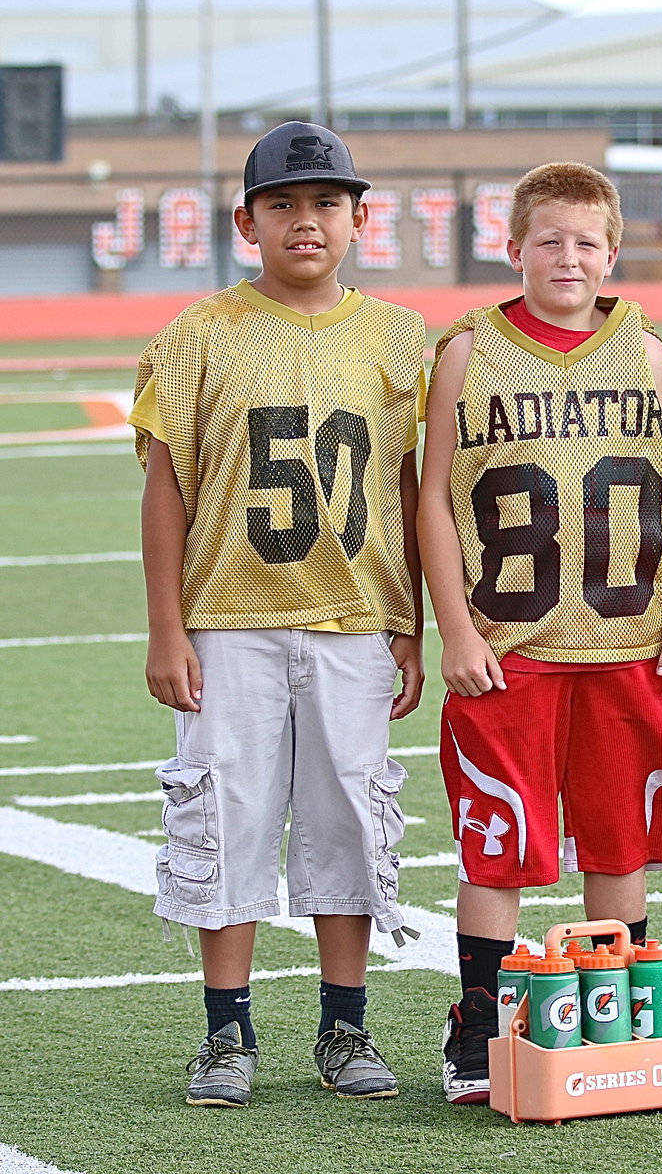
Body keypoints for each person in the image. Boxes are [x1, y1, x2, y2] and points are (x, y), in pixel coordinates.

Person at [130, 120, 425, 1108]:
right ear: (247, 218)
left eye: (326, 204)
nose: (307, 222)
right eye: (284, 205)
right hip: (228, 620)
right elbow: (166, 486)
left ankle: (345, 1024)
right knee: (225, 815)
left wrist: (414, 621)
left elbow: (409, 489)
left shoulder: (396, 336)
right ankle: (226, 1032)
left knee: (349, 817)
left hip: (353, 620)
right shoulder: (199, 335)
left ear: (358, 217)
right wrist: (166, 626)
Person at [418, 161, 662, 1105]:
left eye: (586, 242)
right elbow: (432, 502)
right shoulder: (468, 350)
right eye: (549, 240)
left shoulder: (645, 350)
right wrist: (454, 629)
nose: (568, 257)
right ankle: (478, 1018)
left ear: (614, 252)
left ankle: (620, 1014)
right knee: (498, 846)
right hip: (512, 650)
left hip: (625, 641)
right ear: (513, 250)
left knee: (622, 846)